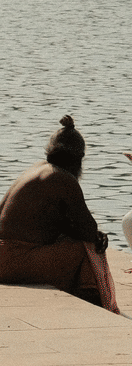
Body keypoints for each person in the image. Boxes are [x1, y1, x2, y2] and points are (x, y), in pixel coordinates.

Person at [0, 116, 118, 312]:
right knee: (87, 249)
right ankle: (93, 302)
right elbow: (89, 231)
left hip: (4, 256)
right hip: (11, 261)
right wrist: (97, 235)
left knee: (72, 240)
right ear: (79, 158)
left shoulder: (35, 169)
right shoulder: (63, 178)